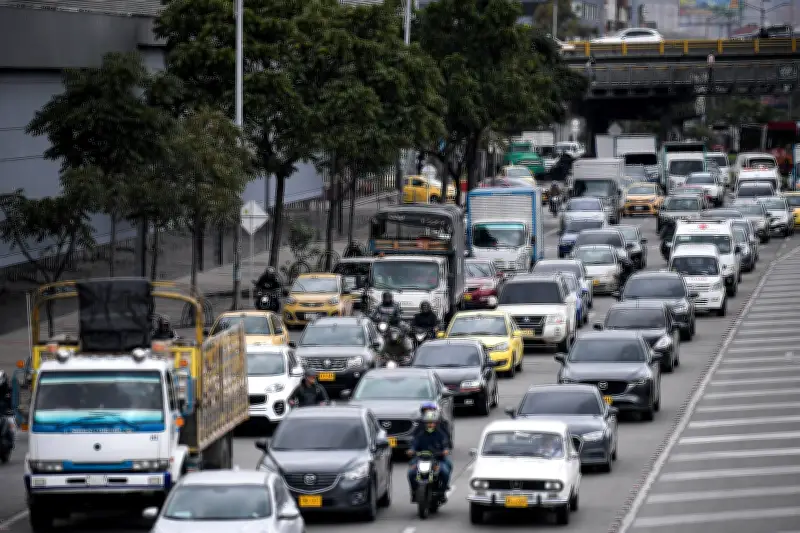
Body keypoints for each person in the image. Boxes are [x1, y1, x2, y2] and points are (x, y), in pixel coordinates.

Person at [407, 409, 452, 500]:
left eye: (432, 422)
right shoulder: (420, 435)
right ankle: (414, 491)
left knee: (445, 471)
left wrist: (445, 450)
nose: (430, 424)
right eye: (428, 423)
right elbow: (414, 445)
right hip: (421, 459)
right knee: (411, 473)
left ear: (436, 423)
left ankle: (442, 492)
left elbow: (445, 444)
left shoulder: (441, 434)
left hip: (438, 459)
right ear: (424, 423)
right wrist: (411, 451)